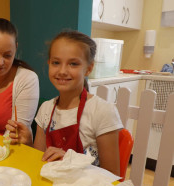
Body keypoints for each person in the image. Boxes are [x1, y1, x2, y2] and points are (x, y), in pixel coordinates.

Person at [6, 31, 123, 176]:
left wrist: (69, 161)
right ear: (49, 63)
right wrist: (28, 142)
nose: (62, 71)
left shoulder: (102, 111)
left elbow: (112, 176)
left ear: (89, 68)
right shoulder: (46, 109)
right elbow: (39, 160)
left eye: (73, 64)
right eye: (56, 63)